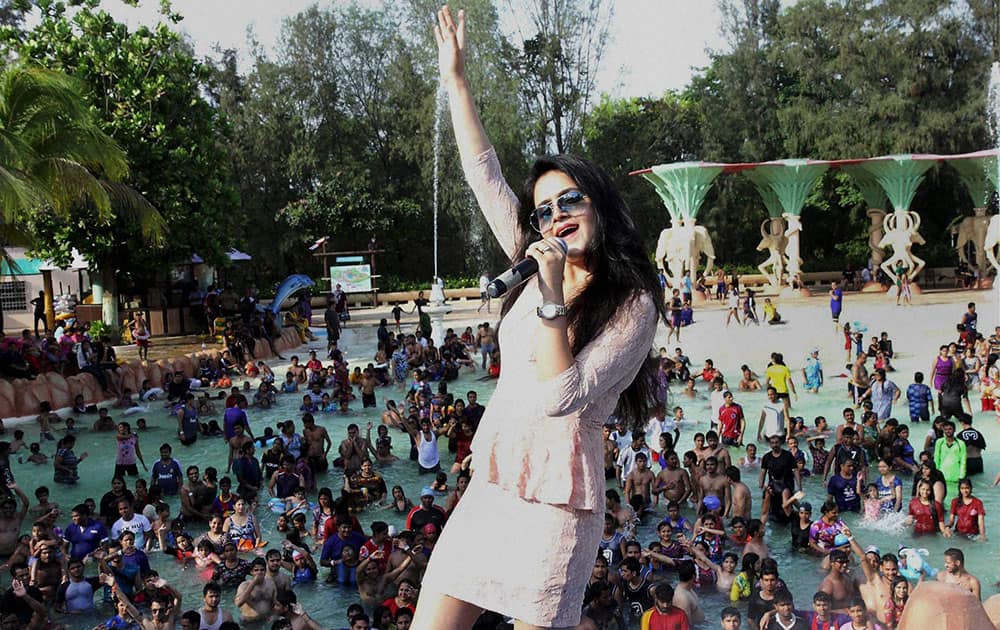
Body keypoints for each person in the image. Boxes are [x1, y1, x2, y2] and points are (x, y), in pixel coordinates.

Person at [414, 9, 662, 629]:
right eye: (545, 207)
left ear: (600, 207)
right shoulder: (533, 260)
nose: (555, 215)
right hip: (495, 481)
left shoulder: (632, 304)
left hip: (559, 504)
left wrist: (550, 289)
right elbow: (483, 174)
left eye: (570, 199)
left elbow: (562, 395)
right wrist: (458, 81)